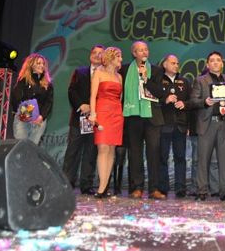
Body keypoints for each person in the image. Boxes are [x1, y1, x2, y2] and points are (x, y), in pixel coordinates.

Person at [120, 41, 167, 200]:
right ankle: (137, 188)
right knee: (135, 153)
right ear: (134, 53)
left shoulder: (156, 70)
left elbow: (160, 92)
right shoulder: (125, 69)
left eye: (146, 49)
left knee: (154, 153)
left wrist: (146, 78)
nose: (144, 52)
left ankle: (154, 189)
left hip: (152, 116)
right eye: (140, 50)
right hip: (133, 115)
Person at [188, 51, 225, 201]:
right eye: (212, 60)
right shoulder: (200, 80)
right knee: (203, 159)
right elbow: (193, 101)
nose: (215, 62)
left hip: (224, 123)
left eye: (218, 60)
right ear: (207, 64)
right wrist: (204, 102)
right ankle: (202, 190)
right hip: (207, 123)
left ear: (222, 63)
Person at [63, 45, 103, 195]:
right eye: (94, 52)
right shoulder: (80, 72)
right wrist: (81, 105)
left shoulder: (106, 75)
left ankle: (86, 185)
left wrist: (94, 108)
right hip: (78, 119)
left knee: (90, 153)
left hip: (96, 120)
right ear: (90, 55)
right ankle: (67, 183)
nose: (97, 55)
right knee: (72, 152)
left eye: (100, 53)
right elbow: (71, 91)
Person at [89, 46, 124, 198]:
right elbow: (93, 96)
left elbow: (119, 98)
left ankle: (104, 186)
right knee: (103, 148)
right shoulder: (98, 72)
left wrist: (119, 114)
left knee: (111, 150)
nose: (121, 59)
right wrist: (93, 113)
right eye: (118, 56)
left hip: (116, 113)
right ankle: (101, 187)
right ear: (110, 57)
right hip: (102, 111)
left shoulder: (119, 77)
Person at [157, 54, 191, 198]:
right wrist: (165, 100)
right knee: (162, 157)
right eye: (173, 63)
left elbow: (191, 101)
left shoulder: (184, 81)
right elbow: (152, 100)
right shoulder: (157, 81)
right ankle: (162, 188)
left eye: (177, 63)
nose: (176, 65)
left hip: (180, 125)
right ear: (164, 64)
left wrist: (185, 104)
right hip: (163, 124)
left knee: (180, 157)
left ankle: (180, 188)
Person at [10, 53, 54, 145]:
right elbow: (16, 98)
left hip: (40, 118)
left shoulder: (48, 84)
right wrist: (27, 112)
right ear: (31, 65)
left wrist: (41, 116)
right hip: (25, 113)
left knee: (32, 146)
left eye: (43, 64)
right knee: (21, 144)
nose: (42, 66)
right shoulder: (23, 80)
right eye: (38, 63)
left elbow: (49, 103)